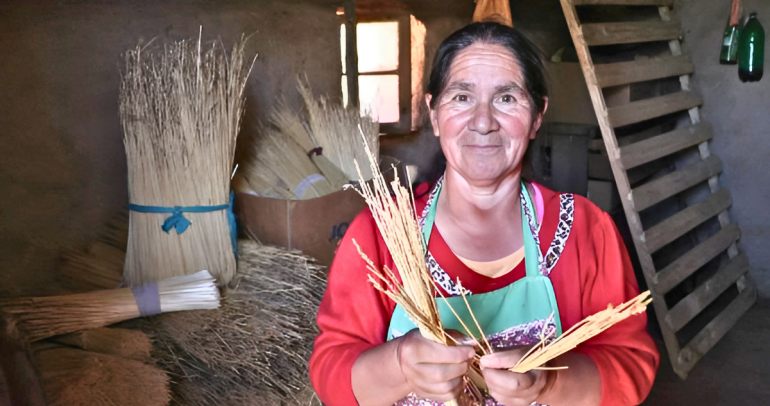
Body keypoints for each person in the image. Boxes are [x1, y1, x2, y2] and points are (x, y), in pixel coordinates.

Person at [309, 22, 659, 406]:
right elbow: (331, 372)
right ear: (435, 113)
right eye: (461, 97)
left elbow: (630, 363)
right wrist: (400, 365)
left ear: (537, 116)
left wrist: (549, 382)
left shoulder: (586, 230)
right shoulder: (383, 233)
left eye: (507, 98)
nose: (483, 121)